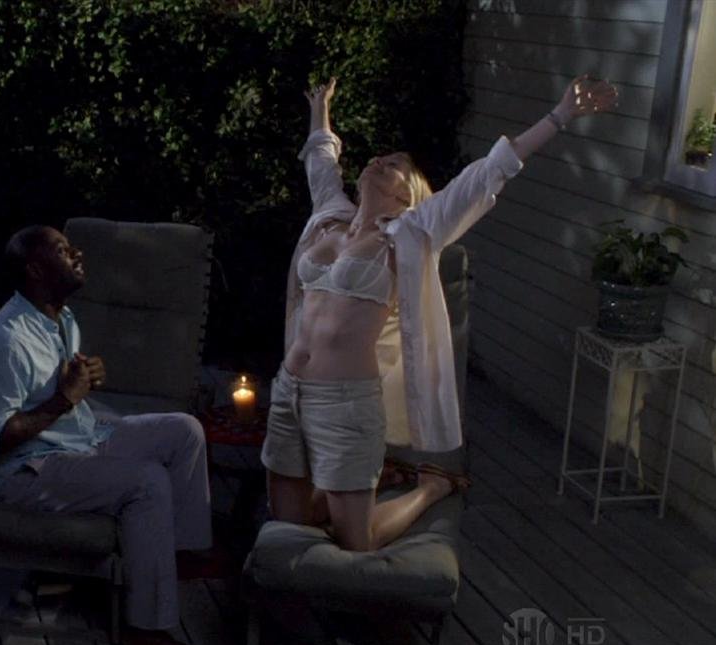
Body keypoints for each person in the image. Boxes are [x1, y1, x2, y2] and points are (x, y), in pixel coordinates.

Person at [262, 75, 618, 551]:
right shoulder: (330, 217)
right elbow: (322, 164)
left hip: (345, 402)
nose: (379, 161)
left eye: (393, 165)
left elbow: (489, 172)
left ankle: (430, 489)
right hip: (289, 391)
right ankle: (367, 483)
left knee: (354, 544)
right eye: (379, 158)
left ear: (406, 196)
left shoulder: (412, 233)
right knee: (290, 521)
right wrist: (320, 108)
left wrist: (560, 114)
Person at [0, 224, 219, 645]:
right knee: (146, 481)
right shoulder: (6, 341)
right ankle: (146, 627)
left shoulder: (61, 318)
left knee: (184, 431)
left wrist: (83, 380)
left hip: (79, 438)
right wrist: (65, 398)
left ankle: (178, 553)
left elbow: (62, 390)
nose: (78, 254)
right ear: (36, 269)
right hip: (25, 470)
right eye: (65, 250)